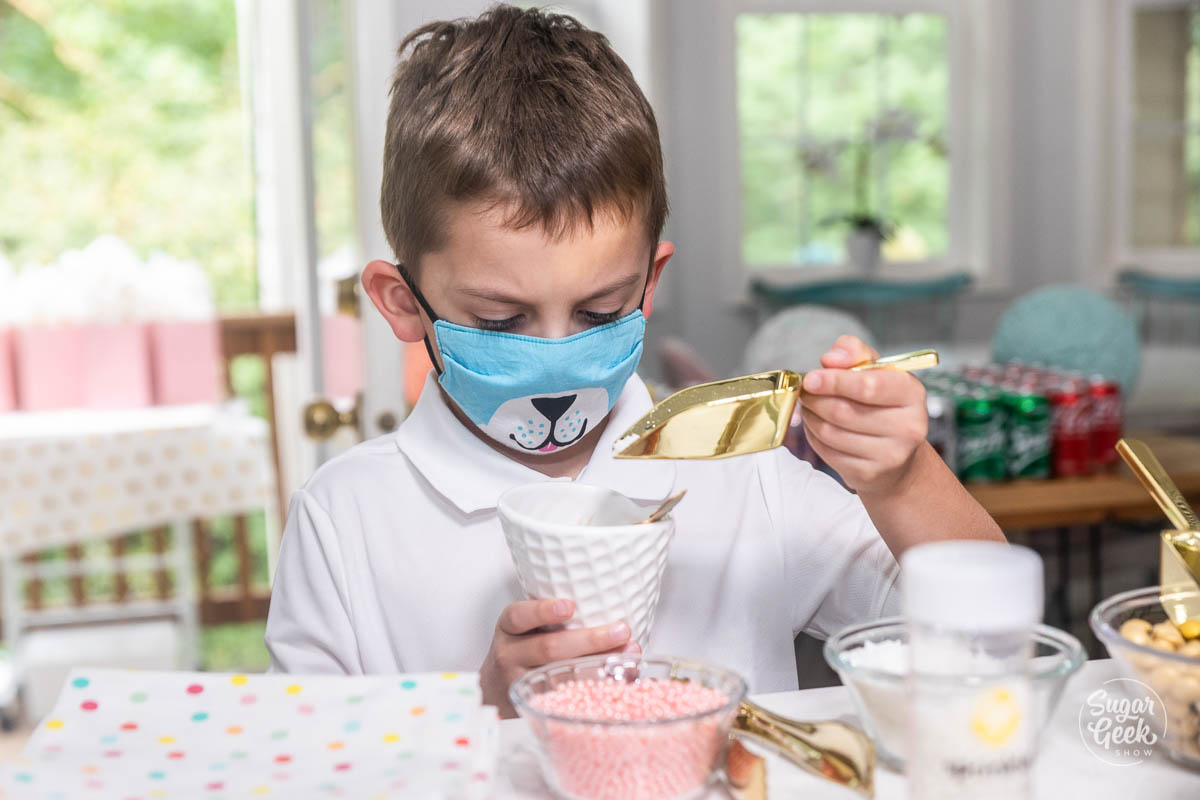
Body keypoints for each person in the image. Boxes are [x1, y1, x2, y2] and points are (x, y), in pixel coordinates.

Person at [264, 4, 1003, 717]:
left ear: (649, 283)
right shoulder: (345, 520)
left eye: (599, 311)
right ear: (401, 303)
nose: (557, 358)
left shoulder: (744, 476)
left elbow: (994, 647)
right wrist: (481, 708)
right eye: (500, 319)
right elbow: (306, 762)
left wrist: (903, 479)